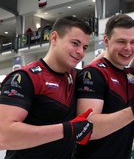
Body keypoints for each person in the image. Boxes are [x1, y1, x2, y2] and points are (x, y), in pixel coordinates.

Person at [0, 16, 94, 159]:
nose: (81, 52)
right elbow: (3, 136)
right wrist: (66, 130)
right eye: (75, 43)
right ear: (54, 38)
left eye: (85, 47)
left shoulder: (77, 77)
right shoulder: (25, 78)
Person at [75, 14, 134, 159]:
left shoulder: (128, 73)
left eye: (133, 42)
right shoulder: (93, 73)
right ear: (106, 41)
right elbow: (87, 128)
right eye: (121, 41)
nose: (128, 48)